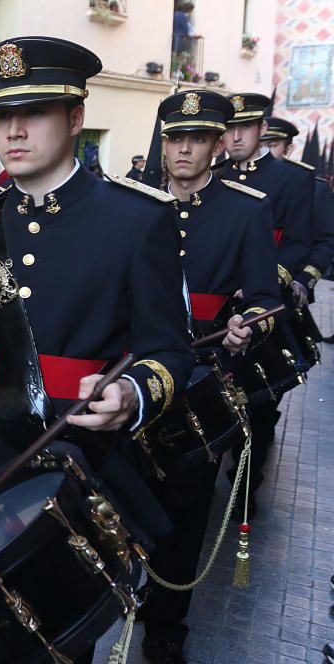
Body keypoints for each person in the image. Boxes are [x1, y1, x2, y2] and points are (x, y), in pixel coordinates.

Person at [0, 38, 194, 663]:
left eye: (32, 113)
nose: (12, 131)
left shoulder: (137, 220)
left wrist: (130, 392)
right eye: (3, 116)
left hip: (78, 461)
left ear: (76, 118)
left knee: (58, 639)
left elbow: (170, 351)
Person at [136, 90, 282, 664]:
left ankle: (167, 623)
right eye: (175, 138)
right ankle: (128, 591)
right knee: (127, 499)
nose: (184, 149)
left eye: (197, 138)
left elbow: (267, 299)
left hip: (203, 378)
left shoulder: (246, 209)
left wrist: (248, 324)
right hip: (133, 376)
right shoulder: (134, 204)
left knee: (184, 507)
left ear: (219, 143)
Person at [216, 93, 316, 516]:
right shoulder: (214, 175)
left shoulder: (292, 180)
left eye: (245, 128)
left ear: (261, 131)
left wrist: (261, 280)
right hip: (214, 315)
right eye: (230, 128)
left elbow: (299, 243)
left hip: (264, 311)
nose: (235, 136)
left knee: (257, 405)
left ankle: (245, 488)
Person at [262, 116, 334, 303]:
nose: (263, 152)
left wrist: (303, 280)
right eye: (259, 145)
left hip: (289, 288)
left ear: (289, 149)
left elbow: (325, 243)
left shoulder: (314, 188)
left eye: (271, 145)